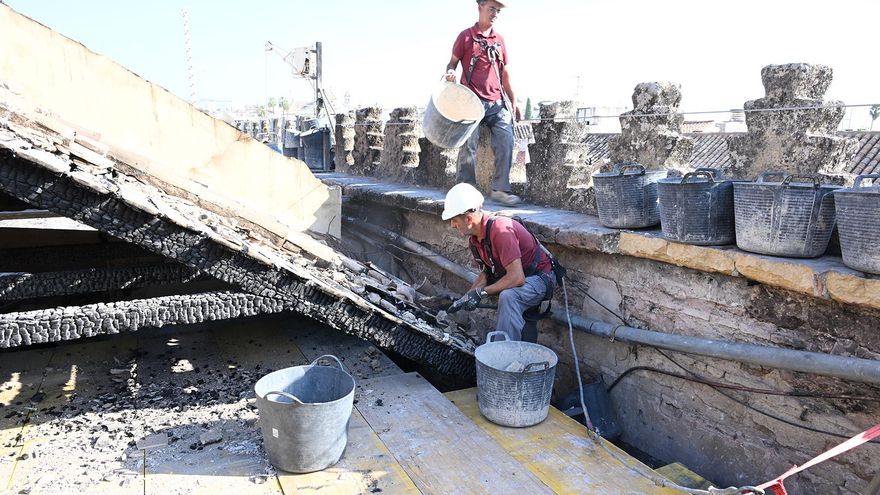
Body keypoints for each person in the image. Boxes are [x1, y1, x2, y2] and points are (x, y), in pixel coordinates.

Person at [442, 183, 556, 342]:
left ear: (468, 219)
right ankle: (511, 351)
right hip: (521, 277)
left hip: (541, 278)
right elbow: (486, 274)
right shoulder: (475, 241)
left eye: (454, 220)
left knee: (509, 297)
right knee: (508, 296)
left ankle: (502, 358)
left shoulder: (501, 230)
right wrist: (466, 298)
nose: (452, 225)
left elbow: (517, 278)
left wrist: (482, 293)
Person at [445, 0, 522, 206]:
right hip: (471, 101)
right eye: (491, 9)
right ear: (480, 7)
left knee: (506, 139)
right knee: (468, 144)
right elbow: (452, 63)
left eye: (498, 10)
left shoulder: (500, 40)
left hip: (496, 102)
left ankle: (500, 189)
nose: (495, 13)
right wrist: (451, 73)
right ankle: (466, 190)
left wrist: (513, 101)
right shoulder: (466, 37)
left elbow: (505, 75)